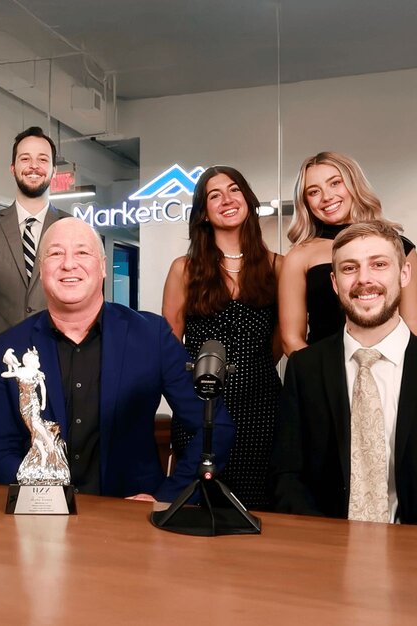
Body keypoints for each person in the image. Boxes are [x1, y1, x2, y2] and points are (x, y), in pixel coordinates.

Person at [0, 218, 234, 502]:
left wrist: (169, 497)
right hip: (37, 523)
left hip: (130, 524)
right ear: (41, 268)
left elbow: (214, 426)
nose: (68, 264)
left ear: (102, 267)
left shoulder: (152, 336)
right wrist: (39, 498)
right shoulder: (9, 347)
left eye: (82, 252)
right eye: (55, 253)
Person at [271, 221, 415, 524]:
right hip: (327, 553)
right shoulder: (305, 368)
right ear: (335, 283)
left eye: (378, 264)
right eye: (350, 268)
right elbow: (288, 477)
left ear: (404, 274)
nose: (364, 279)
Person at [161, 166, 282, 510]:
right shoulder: (184, 268)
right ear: (203, 212)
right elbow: (170, 343)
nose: (227, 200)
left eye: (234, 190)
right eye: (215, 195)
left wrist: (249, 371)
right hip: (202, 411)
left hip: (263, 409)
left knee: (256, 512)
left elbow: (280, 341)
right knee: (197, 509)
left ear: (248, 199)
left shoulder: (278, 266)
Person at [278, 151, 417, 356]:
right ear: (306, 202)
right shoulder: (298, 257)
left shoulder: (399, 246)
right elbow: (291, 340)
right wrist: (321, 379)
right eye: (314, 191)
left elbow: (412, 322)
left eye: (335, 183)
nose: (326, 197)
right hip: (322, 375)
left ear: (353, 184)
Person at [0, 126, 70, 344]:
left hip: (61, 356)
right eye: (25, 159)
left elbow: (86, 297)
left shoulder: (72, 228)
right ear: (13, 168)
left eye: (43, 159)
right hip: (1, 360)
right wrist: (12, 341)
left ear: (54, 171)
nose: (34, 166)